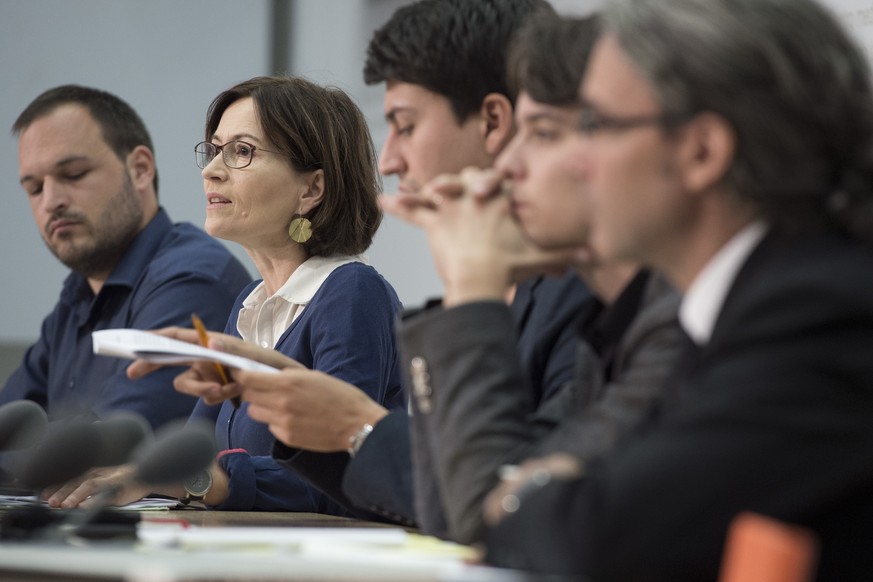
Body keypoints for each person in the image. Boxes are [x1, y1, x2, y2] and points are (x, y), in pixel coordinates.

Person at [481, 0, 873, 579]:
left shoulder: (816, 312)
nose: (576, 161)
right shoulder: (746, 301)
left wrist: (525, 495)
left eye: (593, 125)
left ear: (701, 152)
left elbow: (600, 536)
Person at [265, 0, 591, 531]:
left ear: (491, 121)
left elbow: (509, 508)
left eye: (405, 125)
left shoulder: (583, 293)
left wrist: (359, 427)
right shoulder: (506, 284)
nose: (389, 160)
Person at [380, 12, 684, 545]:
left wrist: (471, 286)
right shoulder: (618, 321)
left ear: (694, 151)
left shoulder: (699, 321)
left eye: (543, 133)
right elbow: (461, 513)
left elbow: (487, 522)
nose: (509, 163)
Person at [43, 76, 405, 515]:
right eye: (215, 150)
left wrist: (182, 479)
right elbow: (200, 452)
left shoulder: (352, 294)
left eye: (242, 152)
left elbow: (341, 479)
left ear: (311, 189)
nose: (211, 169)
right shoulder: (249, 306)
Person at [2, 85, 251, 430]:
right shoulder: (76, 294)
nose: (50, 201)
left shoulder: (192, 280)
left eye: (73, 174)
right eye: (34, 188)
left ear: (140, 169)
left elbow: (101, 449)